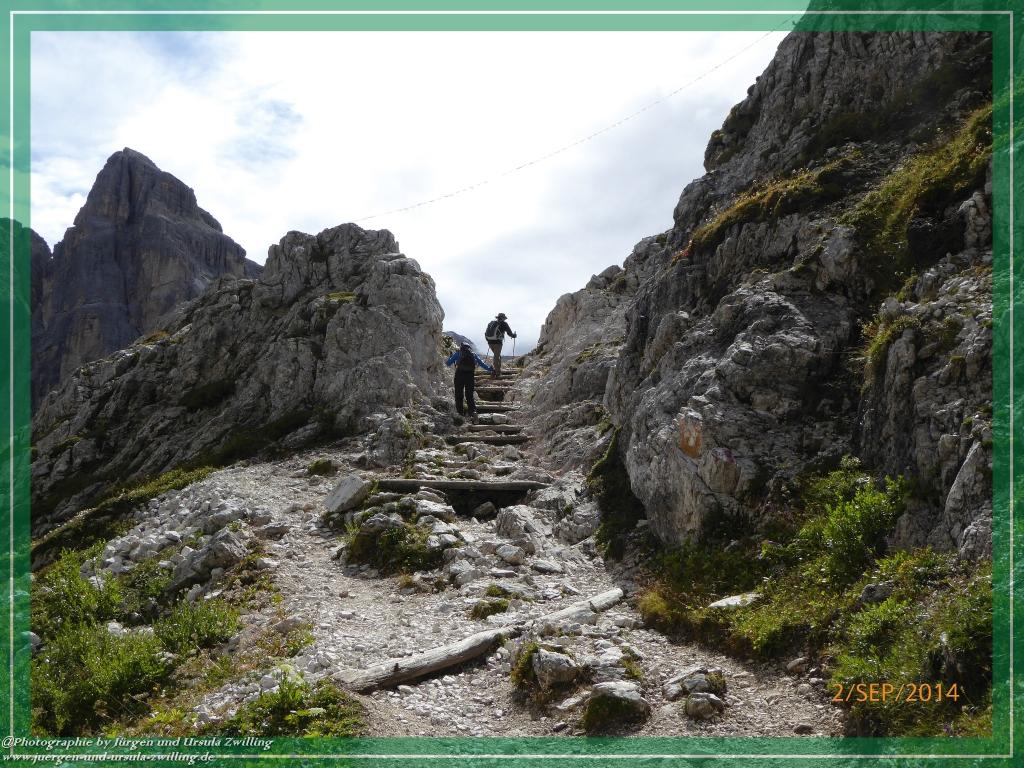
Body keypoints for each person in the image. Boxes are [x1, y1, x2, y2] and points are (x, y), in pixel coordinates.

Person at [445, 342, 493, 421]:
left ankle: (460, 413)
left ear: (461, 347)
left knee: (459, 394)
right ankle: (473, 412)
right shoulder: (473, 354)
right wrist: (490, 369)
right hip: (470, 376)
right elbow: (481, 363)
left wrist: (451, 357)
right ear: (469, 348)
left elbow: (448, 363)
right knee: (469, 396)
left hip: (459, 375)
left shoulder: (458, 353)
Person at [484, 312, 517, 377]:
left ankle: (496, 370)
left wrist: (488, 340)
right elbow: (509, 333)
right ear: (503, 318)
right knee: (496, 357)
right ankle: (497, 373)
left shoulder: (491, 323)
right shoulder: (504, 324)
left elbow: (485, 333)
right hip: (498, 343)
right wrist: (514, 335)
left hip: (490, 343)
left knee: (497, 356)